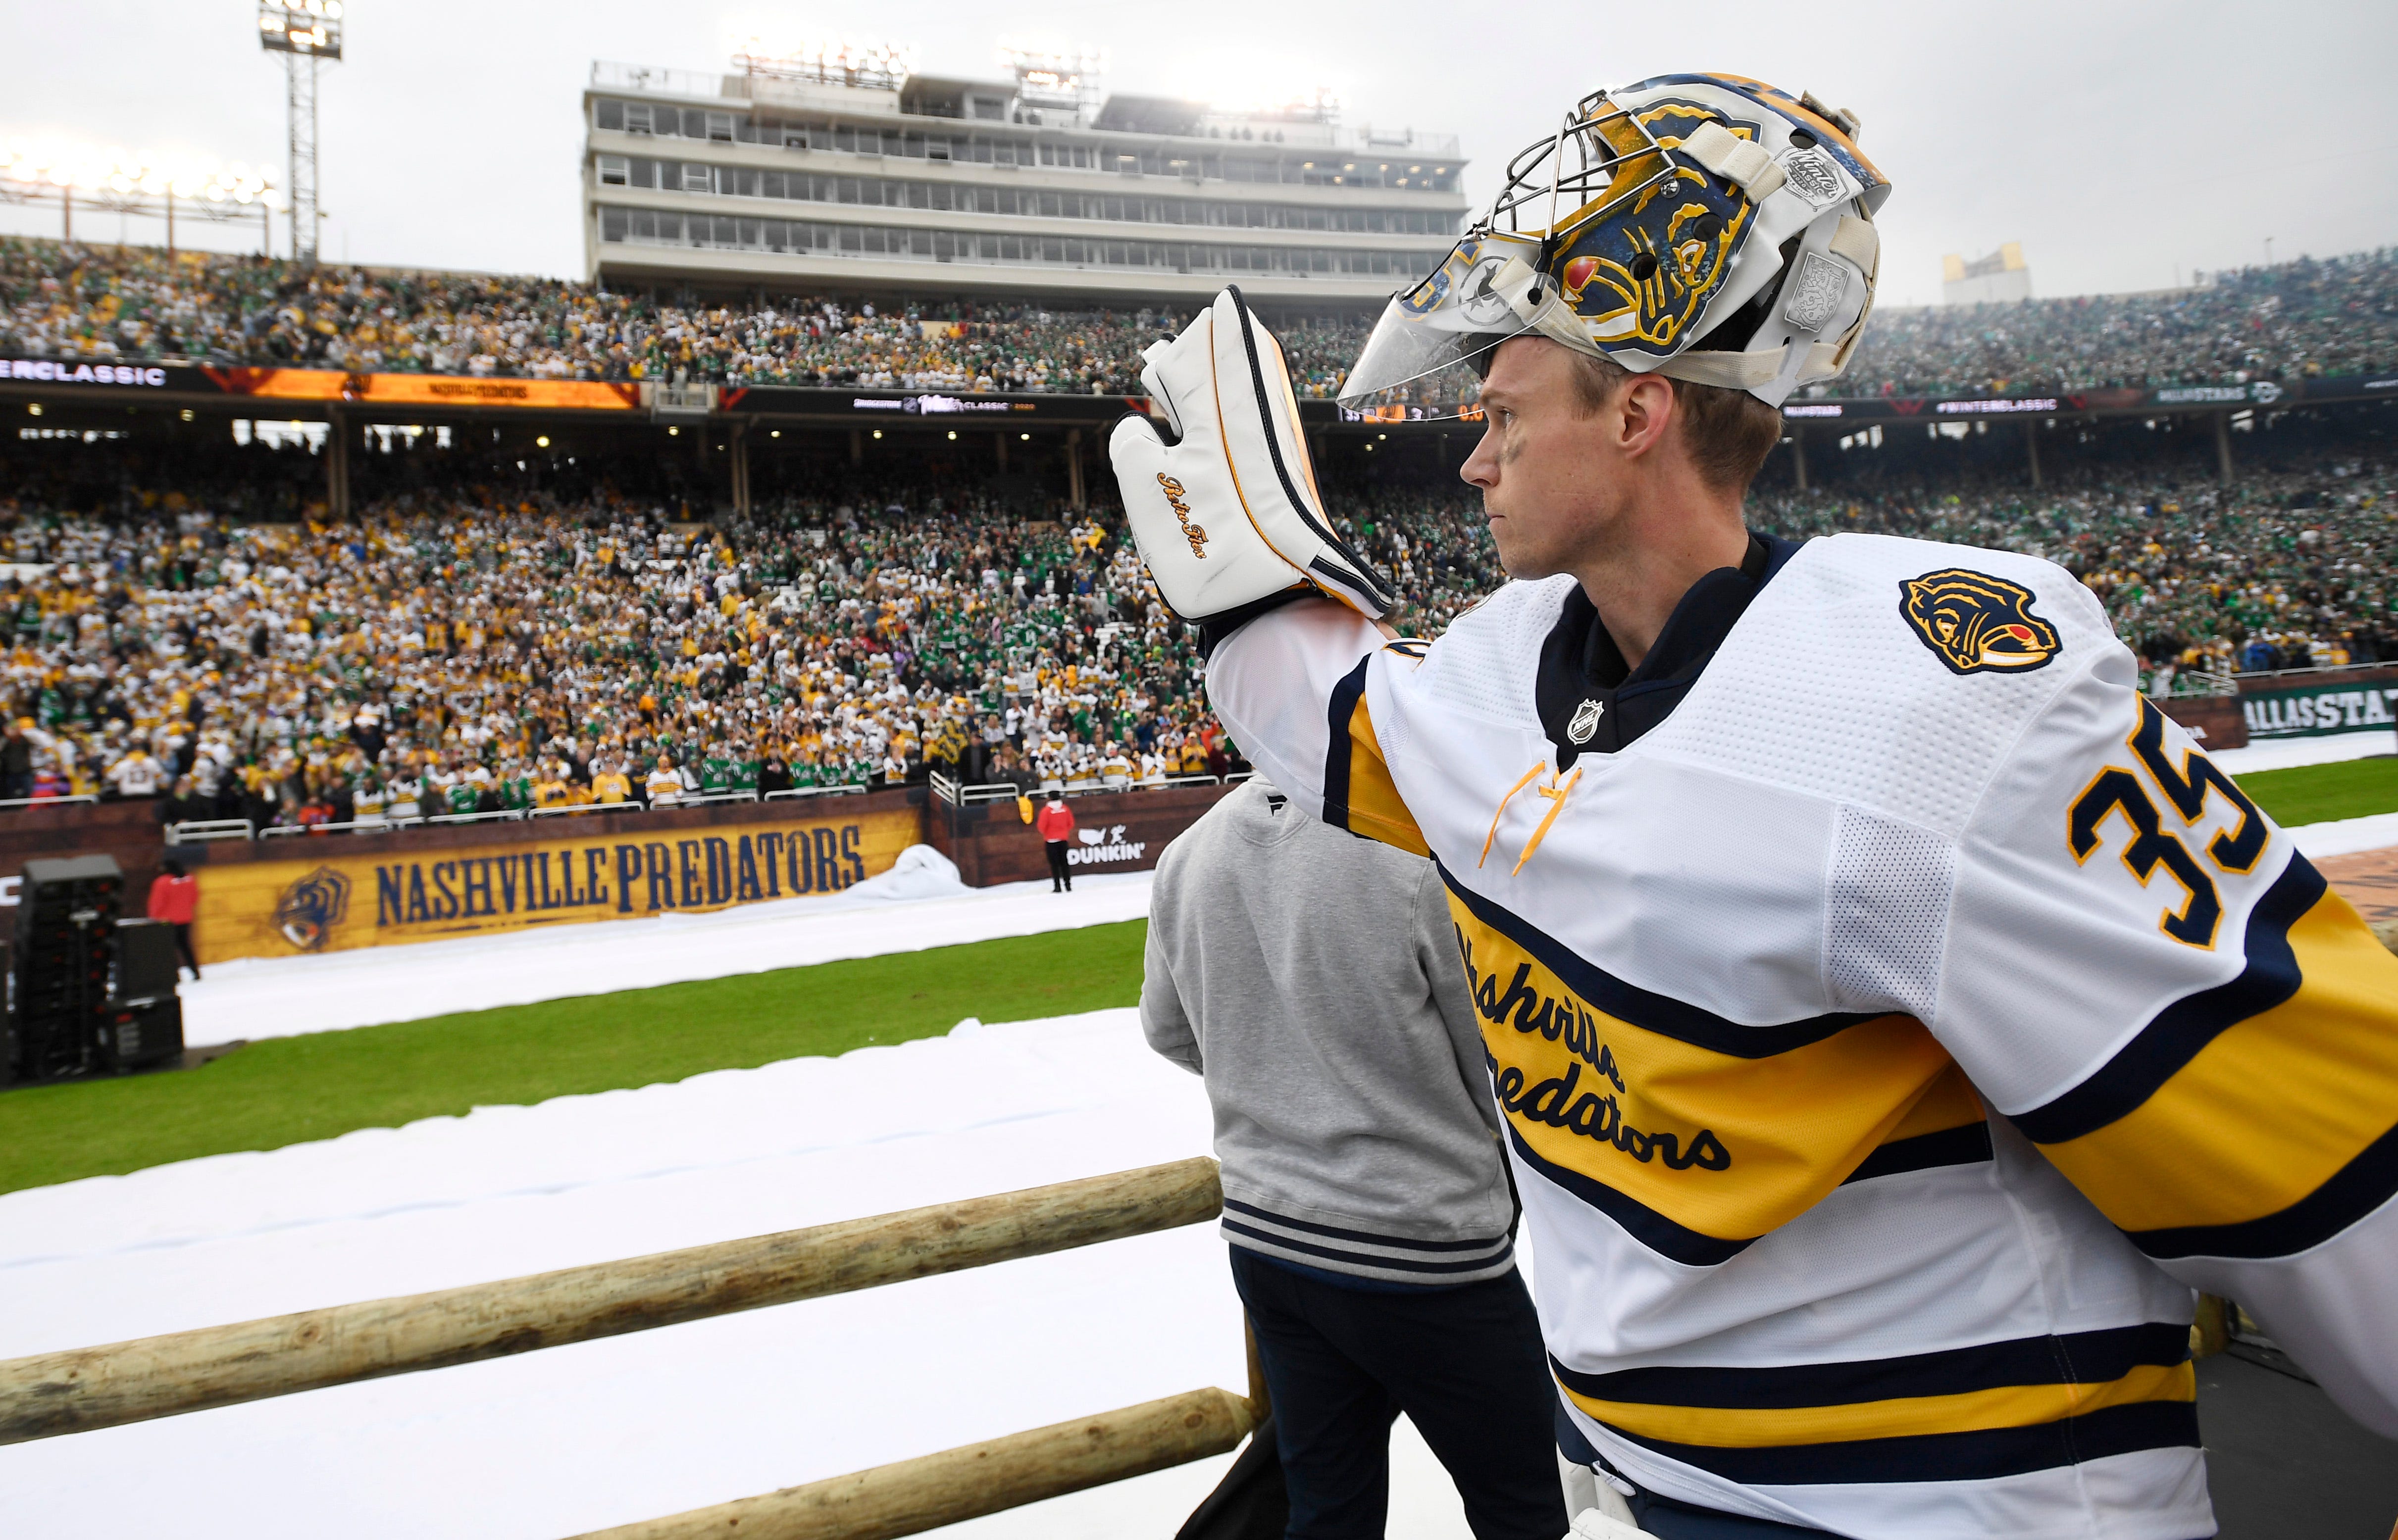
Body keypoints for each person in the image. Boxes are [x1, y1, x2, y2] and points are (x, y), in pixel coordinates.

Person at [1109, 75, 2398, 1540]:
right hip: (1646, 1484)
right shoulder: (1496, 671)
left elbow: (2336, 1151)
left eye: (1506, 415)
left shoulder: (1939, 708)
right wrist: (1234, 578)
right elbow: (1315, 711)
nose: (1471, 459)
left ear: (1640, 411)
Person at [1144, 779, 1565, 1540]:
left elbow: (1167, 1030)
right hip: (1422, 1245)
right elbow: (1500, 1060)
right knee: (1533, 1504)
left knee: (1327, 1505)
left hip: (1269, 1232)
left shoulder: (1188, 851)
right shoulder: (1410, 848)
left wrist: (1277, 1078)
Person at [146, 858, 201, 981]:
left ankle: (174, 976)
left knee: (169, 949)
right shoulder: (190, 879)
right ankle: (195, 972)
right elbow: (195, 898)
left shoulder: (162, 882)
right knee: (185, 947)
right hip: (186, 919)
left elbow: (157, 903)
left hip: (166, 921)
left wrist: (153, 918)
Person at [1034, 790, 1075, 893]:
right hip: (1063, 840)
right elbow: (1071, 824)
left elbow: (1041, 827)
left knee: (1055, 865)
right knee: (1064, 863)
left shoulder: (1046, 811)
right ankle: (1068, 885)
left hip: (1051, 841)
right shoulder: (1065, 809)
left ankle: (1058, 886)